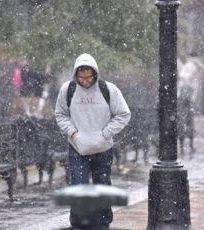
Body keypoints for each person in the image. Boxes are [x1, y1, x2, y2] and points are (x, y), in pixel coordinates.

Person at [55, 53, 131, 229]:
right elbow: (60, 114)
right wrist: (73, 133)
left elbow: (123, 114)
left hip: (103, 148)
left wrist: (105, 133)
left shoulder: (108, 89)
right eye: (81, 77)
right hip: (77, 147)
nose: (85, 81)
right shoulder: (68, 90)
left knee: (102, 184)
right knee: (78, 185)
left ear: (95, 74)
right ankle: (79, 224)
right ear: (76, 75)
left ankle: (103, 223)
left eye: (88, 77)